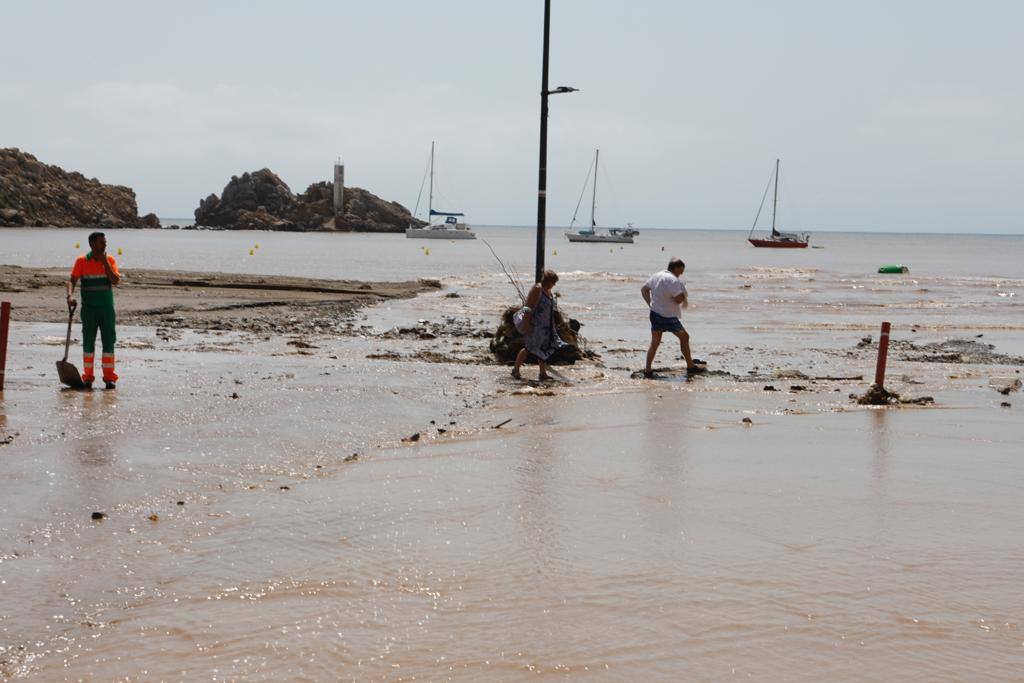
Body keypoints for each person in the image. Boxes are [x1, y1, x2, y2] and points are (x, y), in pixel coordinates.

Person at [67, 232, 121, 389]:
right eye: (101, 242)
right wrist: (69, 297)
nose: (104, 245)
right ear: (92, 244)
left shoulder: (110, 260)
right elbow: (72, 281)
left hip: (107, 309)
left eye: (105, 242)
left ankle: (110, 378)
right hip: (89, 310)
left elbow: (115, 280)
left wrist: (105, 263)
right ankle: (88, 378)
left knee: (109, 343)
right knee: (88, 344)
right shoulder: (82, 261)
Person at [641, 257, 703, 377]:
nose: (681, 274)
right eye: (681, 271)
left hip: (655, 313)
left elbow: (644, 290)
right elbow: (678, 300)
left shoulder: (657, 275)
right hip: (668, 316)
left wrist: (650, 304)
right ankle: (690, 366)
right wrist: (684, 294)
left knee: (655, 343)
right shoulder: (673, 280)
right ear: (676, 268)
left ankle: (648, 370)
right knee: (684, 337)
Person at [512, 269, 567, 381]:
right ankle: (515, 369)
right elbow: (527, 307)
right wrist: (527, 325)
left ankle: (542, 373)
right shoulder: (537, 289)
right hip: (535, 325)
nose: (554, 284)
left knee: (543, 349)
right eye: (553, 282)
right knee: (528, 348)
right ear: (547, 281)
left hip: (546, 326)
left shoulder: (549, 292)